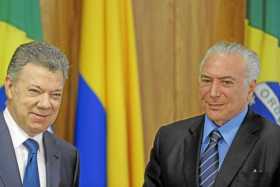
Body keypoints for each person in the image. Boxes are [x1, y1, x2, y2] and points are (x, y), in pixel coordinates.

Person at [144, 41, 280, 187]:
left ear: (250, 88)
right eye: (207, 80)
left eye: (226, 82)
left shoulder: (275, 143)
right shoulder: (168, 139)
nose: (213, 93)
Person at [0, 41, 79, 187]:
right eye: (35, 91)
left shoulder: (68, 156)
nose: (45, 104)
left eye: (55, 95)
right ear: (10, 88)